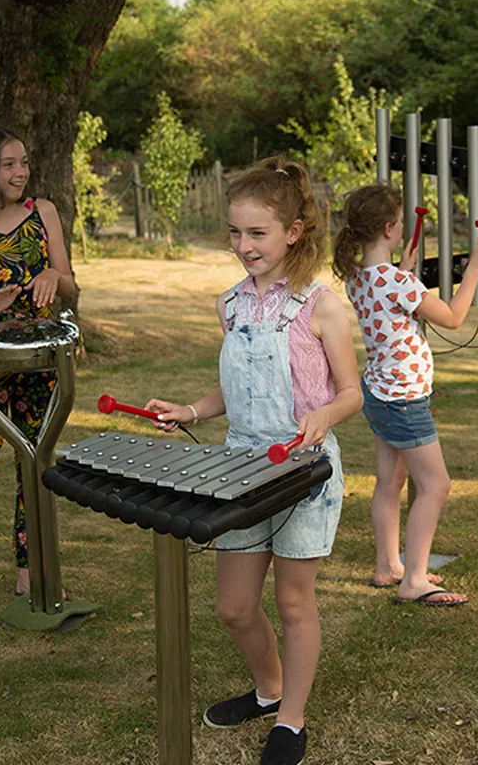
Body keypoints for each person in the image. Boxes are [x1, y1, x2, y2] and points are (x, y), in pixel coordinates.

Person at [146, 156, 361, 765]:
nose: (243, 245)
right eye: (235, 233)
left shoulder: (321, 306)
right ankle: (269, 690)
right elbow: (236, 389)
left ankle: (291, 721)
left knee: (294, 602)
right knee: (234, 607)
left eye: (257, 233)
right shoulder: (230, 304)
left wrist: (322, 417)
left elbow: (352, 391)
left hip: (304, 473)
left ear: (293, 232)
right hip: (240, 469)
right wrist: (192, 409)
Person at [332, 184, 478, 607]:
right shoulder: (397, 283)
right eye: (401, 222)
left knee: (390, 482)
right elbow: (455, 318)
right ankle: (415, 580)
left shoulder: (359, 278)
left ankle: (389, 565)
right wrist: (474, 268)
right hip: (403, 400)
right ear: (389, 228)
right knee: (436, 485)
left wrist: (403, 270)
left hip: (378, 394)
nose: (404, 227)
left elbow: (390, 298)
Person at [0, 125, 77, 598]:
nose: (22, 173)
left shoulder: (44, 213)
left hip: (40, 356)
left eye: (24, 162)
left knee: (34, 459)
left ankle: (30, 565)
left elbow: (73, 286)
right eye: (9, 164)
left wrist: (55, 275)